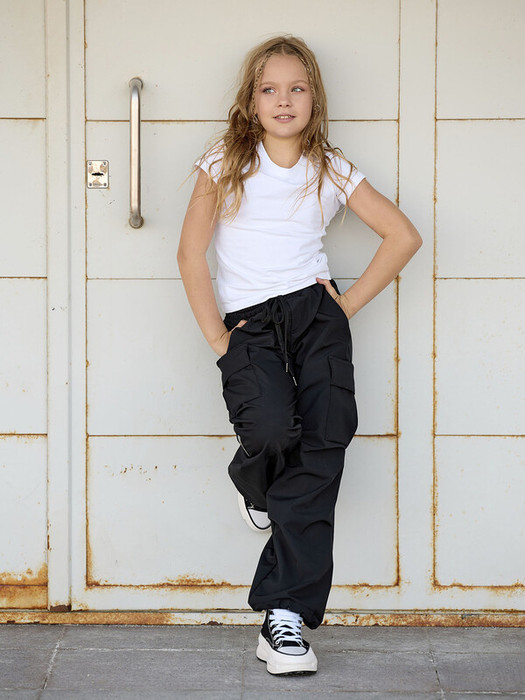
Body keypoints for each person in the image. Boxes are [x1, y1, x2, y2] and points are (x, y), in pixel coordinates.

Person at [177, 35, 422, 676]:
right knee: (270, 430)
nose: (283, 100)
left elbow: (402, 235)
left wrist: (345, 305)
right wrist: (219, 339)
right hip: (251, 321)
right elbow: (190, 253)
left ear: (315, 97)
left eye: (297, 88)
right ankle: (256, 482)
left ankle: (283, 617)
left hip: (315, 315)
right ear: (251, 99)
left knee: (324, 443)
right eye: (269, 89)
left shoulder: (329, 166)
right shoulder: (225, 160)